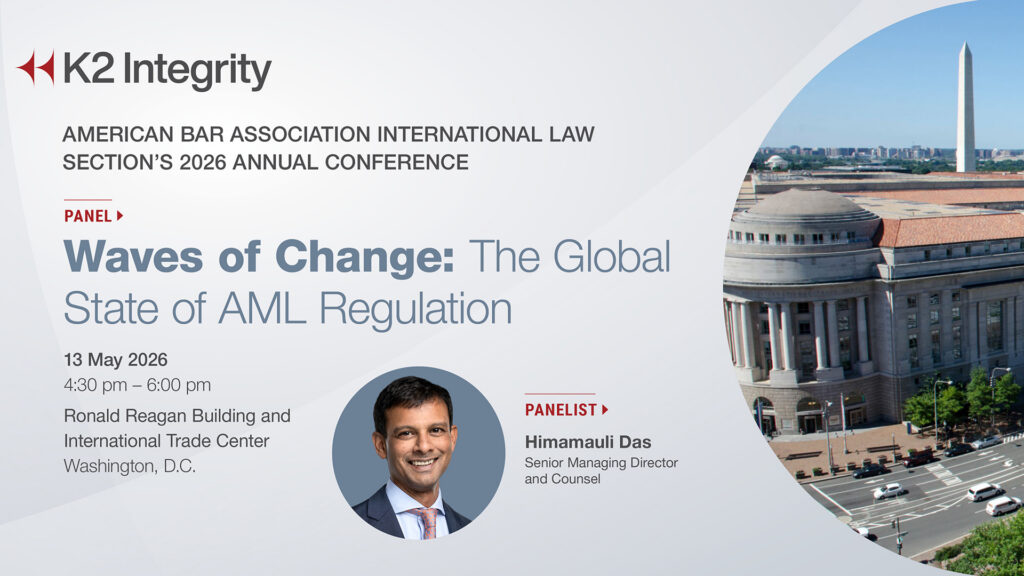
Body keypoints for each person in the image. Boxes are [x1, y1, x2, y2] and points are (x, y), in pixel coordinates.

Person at [352, 376, 472, 539]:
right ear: (381, 445)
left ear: (452, 438)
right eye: (406, 433)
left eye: (436, 430)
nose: (423, 447)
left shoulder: (472, 530)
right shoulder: (348, 525)